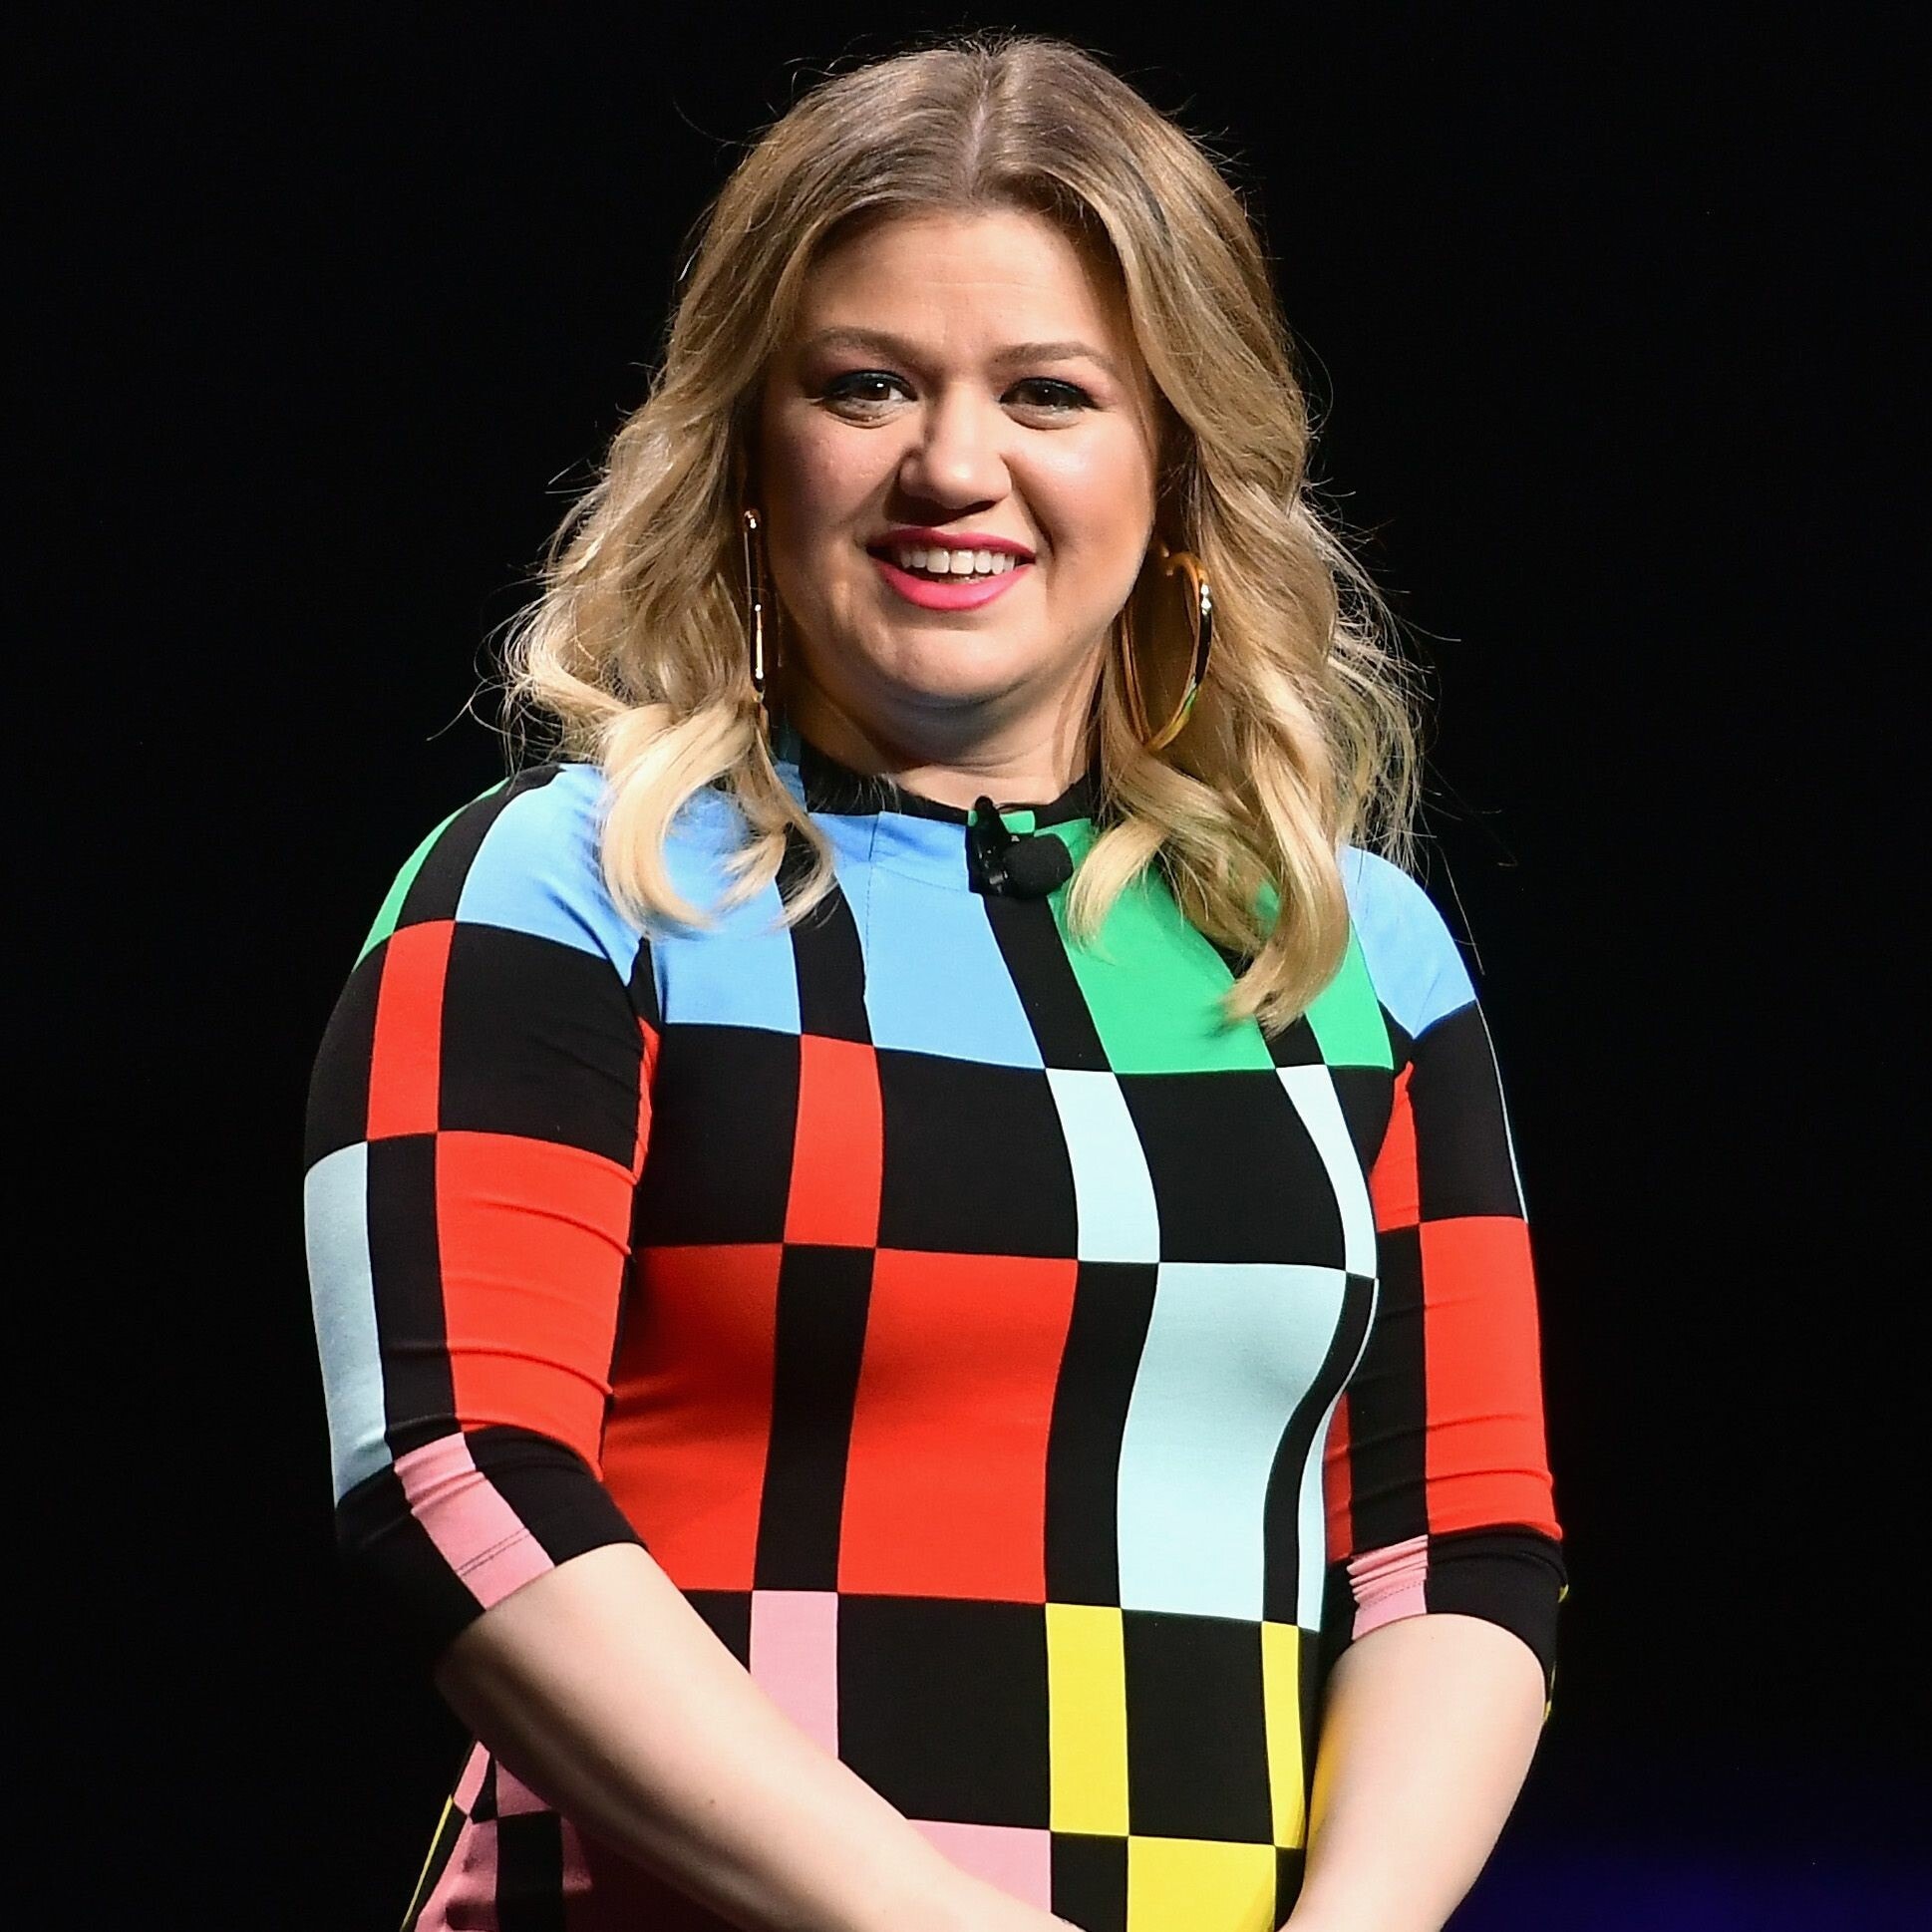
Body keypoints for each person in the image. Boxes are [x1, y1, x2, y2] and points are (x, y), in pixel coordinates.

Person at [302, 33, 1565, 1932]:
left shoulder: (1344, 944)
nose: (952, 467)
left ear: (1176, 469)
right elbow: (453, 1480)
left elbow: (1459, 1547)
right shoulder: (569, 888)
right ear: (747, 452)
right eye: (865, 385)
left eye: (1048, 392)